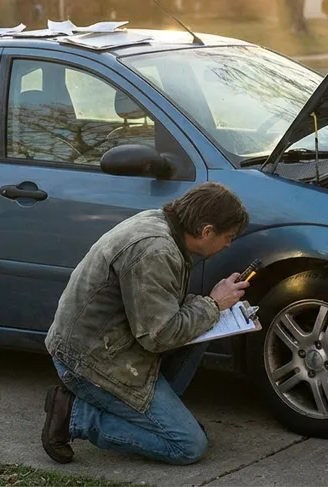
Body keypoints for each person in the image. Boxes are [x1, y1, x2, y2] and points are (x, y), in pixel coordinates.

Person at [41, 182, 251, 465]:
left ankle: (153, 420)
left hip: (115, 348)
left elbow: (160, 310)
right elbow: (159, 336)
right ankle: (74, 416)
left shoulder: (161, 225)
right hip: (88, 362)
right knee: (187, 445)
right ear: (206, 231)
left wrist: (215, 305)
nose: (228, 244)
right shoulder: (155, 250)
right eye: (229, 237)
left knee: (206, 326)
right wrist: (213, 304)